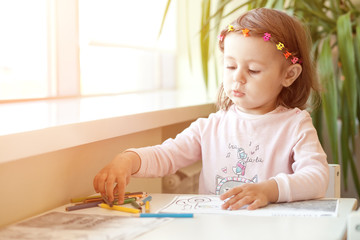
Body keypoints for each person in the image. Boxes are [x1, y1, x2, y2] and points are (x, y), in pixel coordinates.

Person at [93, 8, 329, 210]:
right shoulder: (210, 127)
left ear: (289, 75)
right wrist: (128, 160)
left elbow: (317, 177)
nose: (238, 78)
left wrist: (269, 190)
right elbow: (166, 155)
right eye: (230, 65)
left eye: (254, 70)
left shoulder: (295, 125)